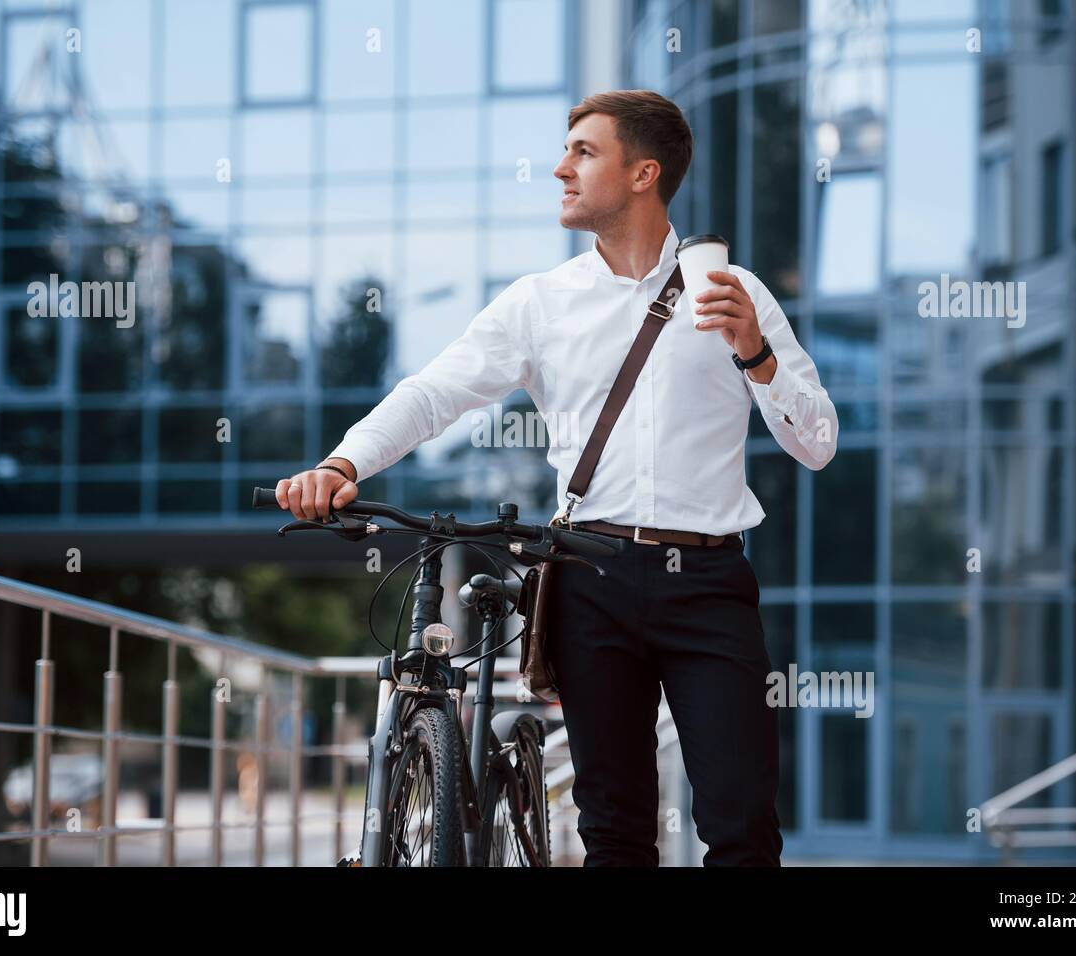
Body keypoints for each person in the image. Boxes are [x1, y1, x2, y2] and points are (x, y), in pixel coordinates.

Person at [275, 89, 838, 866]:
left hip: (708, 581)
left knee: (743, 828)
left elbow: (817, 442)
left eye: (583, 152)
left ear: (644, 174)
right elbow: (434, 394)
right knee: (613, 831)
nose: (559, 168)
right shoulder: (542, 303)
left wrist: (758, 354)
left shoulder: (735, 294)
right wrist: (343, 462)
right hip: (587, 580)